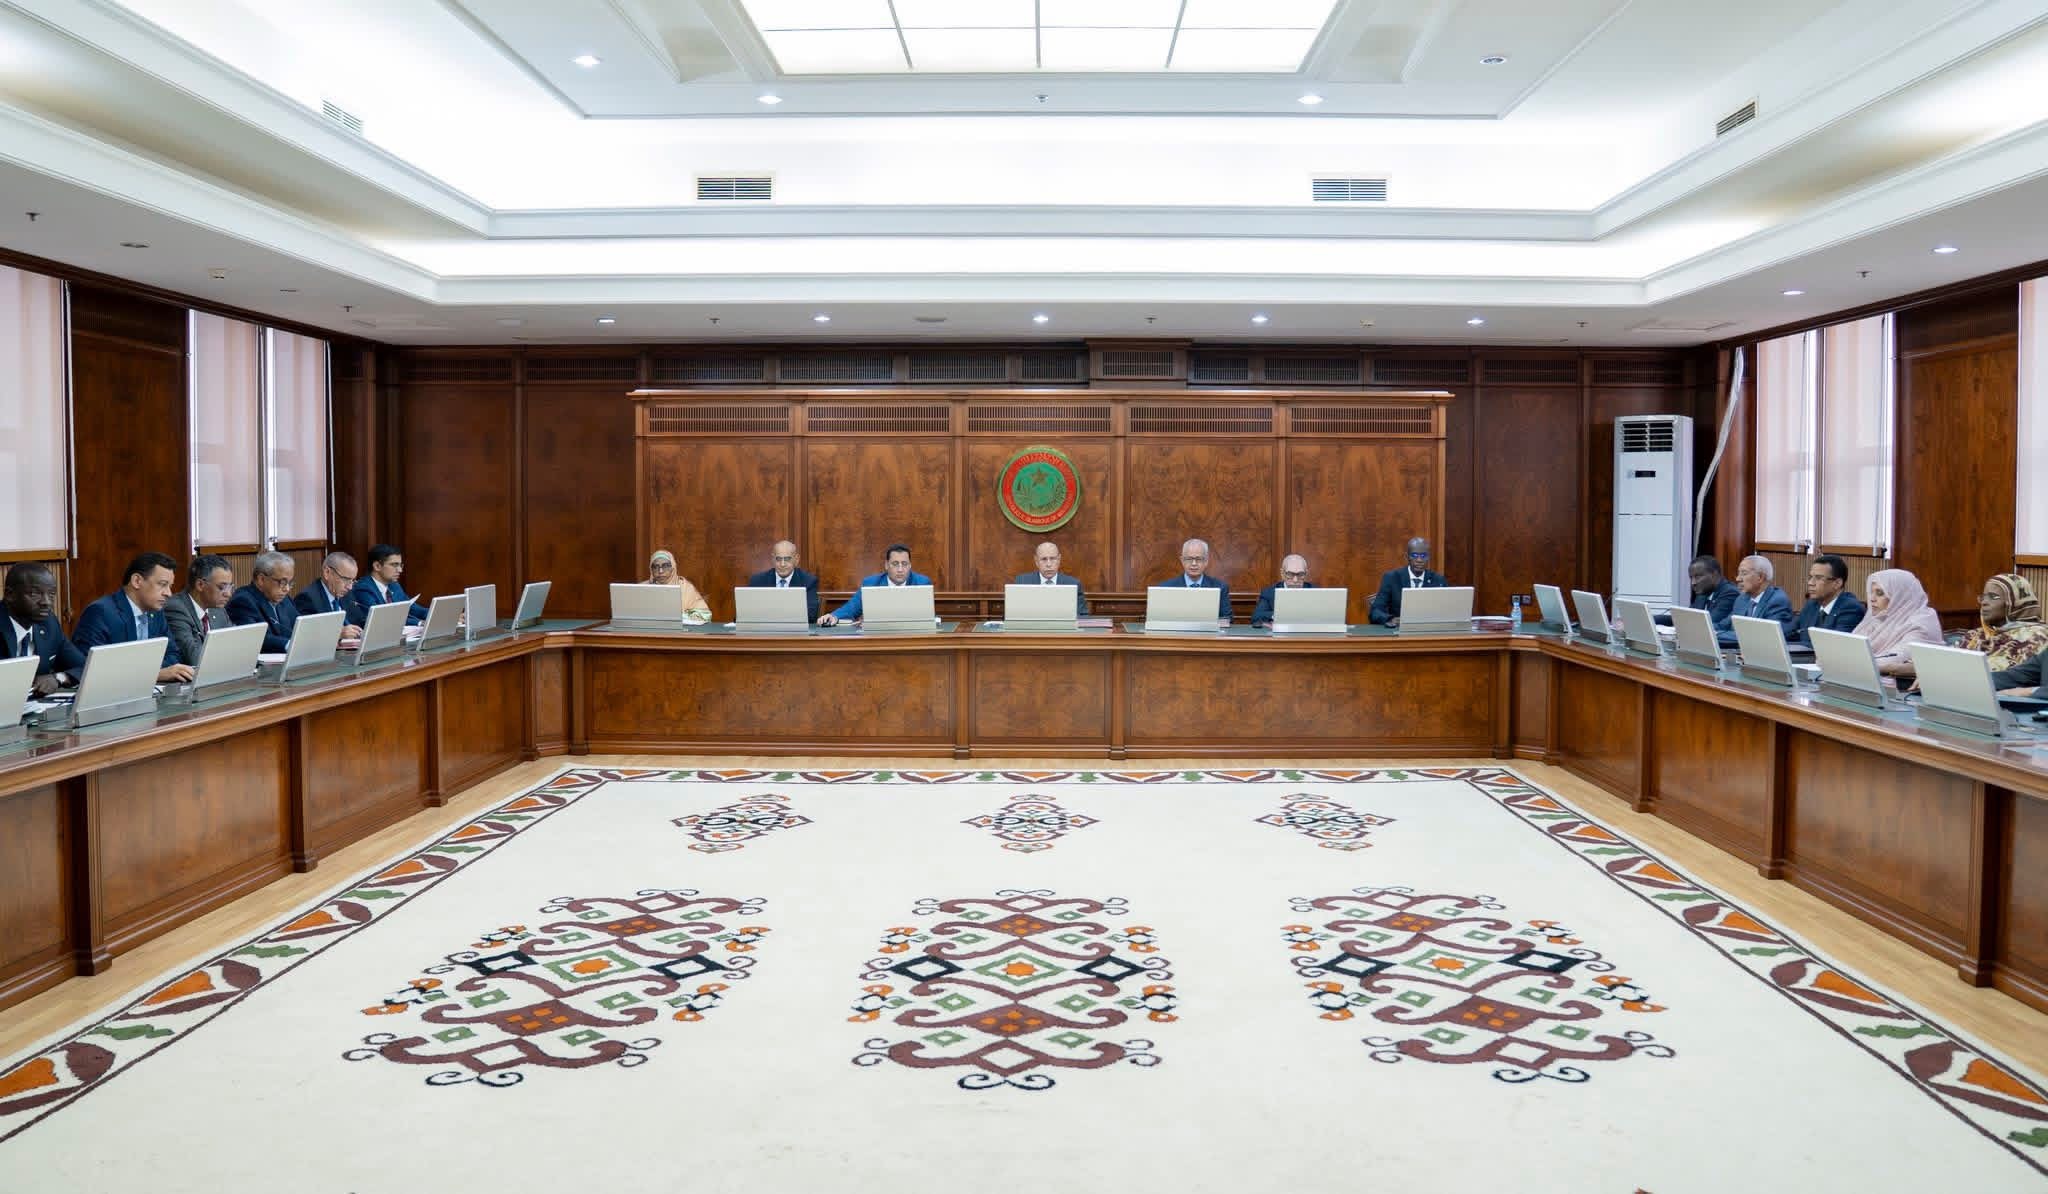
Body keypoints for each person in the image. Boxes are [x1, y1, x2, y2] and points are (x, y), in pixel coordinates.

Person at [71, 551, 194, 683]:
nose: (169, 593)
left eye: (170, 586)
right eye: (162, 584)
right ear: (137, 581)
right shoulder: (100, 613)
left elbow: (173, 655)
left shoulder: (156, 612)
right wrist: (153, 675)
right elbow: (90, 669)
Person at [2, 563, 86, 695]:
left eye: (51, 594)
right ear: (10, 594)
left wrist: (58, 678)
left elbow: (83, 666)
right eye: (35, 594)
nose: (46, 602)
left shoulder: (49, 624)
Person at [1853, 568, 1945, 677]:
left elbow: (1895, 659)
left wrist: (1851, 662)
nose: (1872, 599)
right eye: (1871, 592)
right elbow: (1850, 647)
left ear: (1900, 595)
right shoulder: (1879, 617)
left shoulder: (1921, 624)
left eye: (1880, 593)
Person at [1955, 573, 2048, 674]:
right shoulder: (1975, 635)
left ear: (2016, 602)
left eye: (1993, 597)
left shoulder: (2038, 638)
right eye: (1983, 597)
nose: (1984, 602)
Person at [820, 544, 931, 626]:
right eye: (895, 564)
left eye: (904, 564)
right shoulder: (871, 583)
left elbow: (926, 616)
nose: (900, 569)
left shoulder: (922, 583)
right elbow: (852, 607)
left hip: (911, 636)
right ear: (886, 565)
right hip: (879, 637)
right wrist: (834, 616)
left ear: (910, 565)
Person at [163, 553, 233, 667]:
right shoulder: (176, 609)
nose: (228, 594)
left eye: (230, 587)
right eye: (222, 587)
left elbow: (235, 646)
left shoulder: (218, 610)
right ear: (200, 585)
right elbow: (195, 659)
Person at [226, 551, 301, 654]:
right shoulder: (242, 601)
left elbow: (299, 629)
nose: (287, 589)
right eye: (282, 582)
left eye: (290, 583)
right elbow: (254, 638)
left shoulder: (285, 600)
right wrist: (289, 644)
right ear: (261, 579)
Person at [1787, 554, 1866, 644]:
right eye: (1810, 577)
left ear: (1837, 583)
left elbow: (1829, 645)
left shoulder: (1851, 609)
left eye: (1818, 578)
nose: (1810, 583)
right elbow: (1790, 632)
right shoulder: (1812, 604)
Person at [1713, 555, 1793, 643]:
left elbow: (1760, 636)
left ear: (1760, 577)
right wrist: (1706, 630)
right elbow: (1723, 625)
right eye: (1738, 574)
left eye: (1744, 573)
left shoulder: (1777, 601)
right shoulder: (1742, 599)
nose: (1738, 579)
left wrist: (1716, 634)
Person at [1369, 537, 1446, 627]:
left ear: (1428, 557)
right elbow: (1375, 612)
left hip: (1429, 629)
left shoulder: (1438, 580)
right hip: (1399, 631)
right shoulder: (1392, 578)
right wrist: (1391, 619)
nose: (1419, 560)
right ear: (1407, 557)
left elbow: (1447, 610)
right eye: (1414, 555)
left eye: (1423, 556)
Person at [346, 544, 427, 627]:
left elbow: (413, 608)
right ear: (377, 566)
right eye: (394, 565)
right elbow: (382, 618)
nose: (400, 570)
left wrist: (432, 615)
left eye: (400, 565)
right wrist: (419, 623)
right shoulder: (363, 588)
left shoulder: (394, 586)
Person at [745, 540, 821, 623]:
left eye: (787, 559)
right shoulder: (757, 581)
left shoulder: (808, 581)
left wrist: (771, 614)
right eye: (778, 559)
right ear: (773, 559)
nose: (782, 564)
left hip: (794, 629)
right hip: (765, 629)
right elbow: (747, 613)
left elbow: (811, 615)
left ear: (796, 559)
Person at [294, 551, 363, 641]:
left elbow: (359, 621)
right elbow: (306, 636)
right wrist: (337, 634)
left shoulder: (346, 594)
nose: (350, 587)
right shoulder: (307, 598)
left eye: (353, 581)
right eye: (346, 579)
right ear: (327, 572)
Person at [1655, 555, 1740, 626]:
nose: (1693, 583)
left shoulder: (1730, 593)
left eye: (1698, 577)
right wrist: (1653, 619)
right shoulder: (1703, 592)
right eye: (1691, 578)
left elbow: (1708, 623)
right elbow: (1686, 618)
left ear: (1714, 574)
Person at [1156, 538, 1230, 619]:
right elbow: (1159, 619)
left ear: (1206, 561)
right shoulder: (1166, 587)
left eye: (1198, 559)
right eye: (1189, 559)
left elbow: (1227, 619)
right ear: (1182, 561)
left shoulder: (1220, 587)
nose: (1194, 563)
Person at [1013, 541, 1088, 615]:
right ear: (1036, 561)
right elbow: (1014, 613)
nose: (1048, 564)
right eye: (1044, 559)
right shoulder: (1022, 582)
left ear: (1059, 559)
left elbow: (1082, 616)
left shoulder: (1073, 584)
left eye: (1052, 558)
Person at [645, 549, 712, 622]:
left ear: (673, 568)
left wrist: (680, 617)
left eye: (666, 566)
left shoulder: (685, 587)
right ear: (651, 570)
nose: (660, 571)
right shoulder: (644, 587)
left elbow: (705, 615)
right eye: (655, 567)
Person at [1251, 554, 1313, 628]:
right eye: (1290, 574)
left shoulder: (1315, 591)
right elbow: (1256, 617)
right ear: (1282, 574)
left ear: (1306, 574)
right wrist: (1281, 615)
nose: (1295, 580)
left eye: (1300, 574)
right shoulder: (1269, 593)